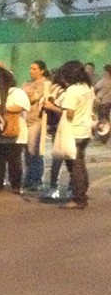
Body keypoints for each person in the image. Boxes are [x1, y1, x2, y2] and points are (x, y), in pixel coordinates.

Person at [48, 61, 95, 209]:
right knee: (80, 163)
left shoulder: (73, 90)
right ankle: (82, 193)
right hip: (85, 130)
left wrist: (52, 107)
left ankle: (79, 198)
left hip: (73, 131)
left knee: (74, 167)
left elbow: (69, 113)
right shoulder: (88, 87)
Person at [0, 66, 30, 193]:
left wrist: (2, 108)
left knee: (14, 160)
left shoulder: (16, 92)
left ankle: (16, 185)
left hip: (14, 133)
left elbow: (21, 106)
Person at [22, 60, 49, 190]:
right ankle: (28, 178)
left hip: (36, 121)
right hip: (25, 119)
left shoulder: (45, 84)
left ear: (42, 71)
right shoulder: (27, 83)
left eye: (34, 69)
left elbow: (33, 99)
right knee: (27, 151)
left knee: (35, 151)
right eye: (30, 68)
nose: (31, 71)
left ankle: (37, 180)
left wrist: (26, 98)